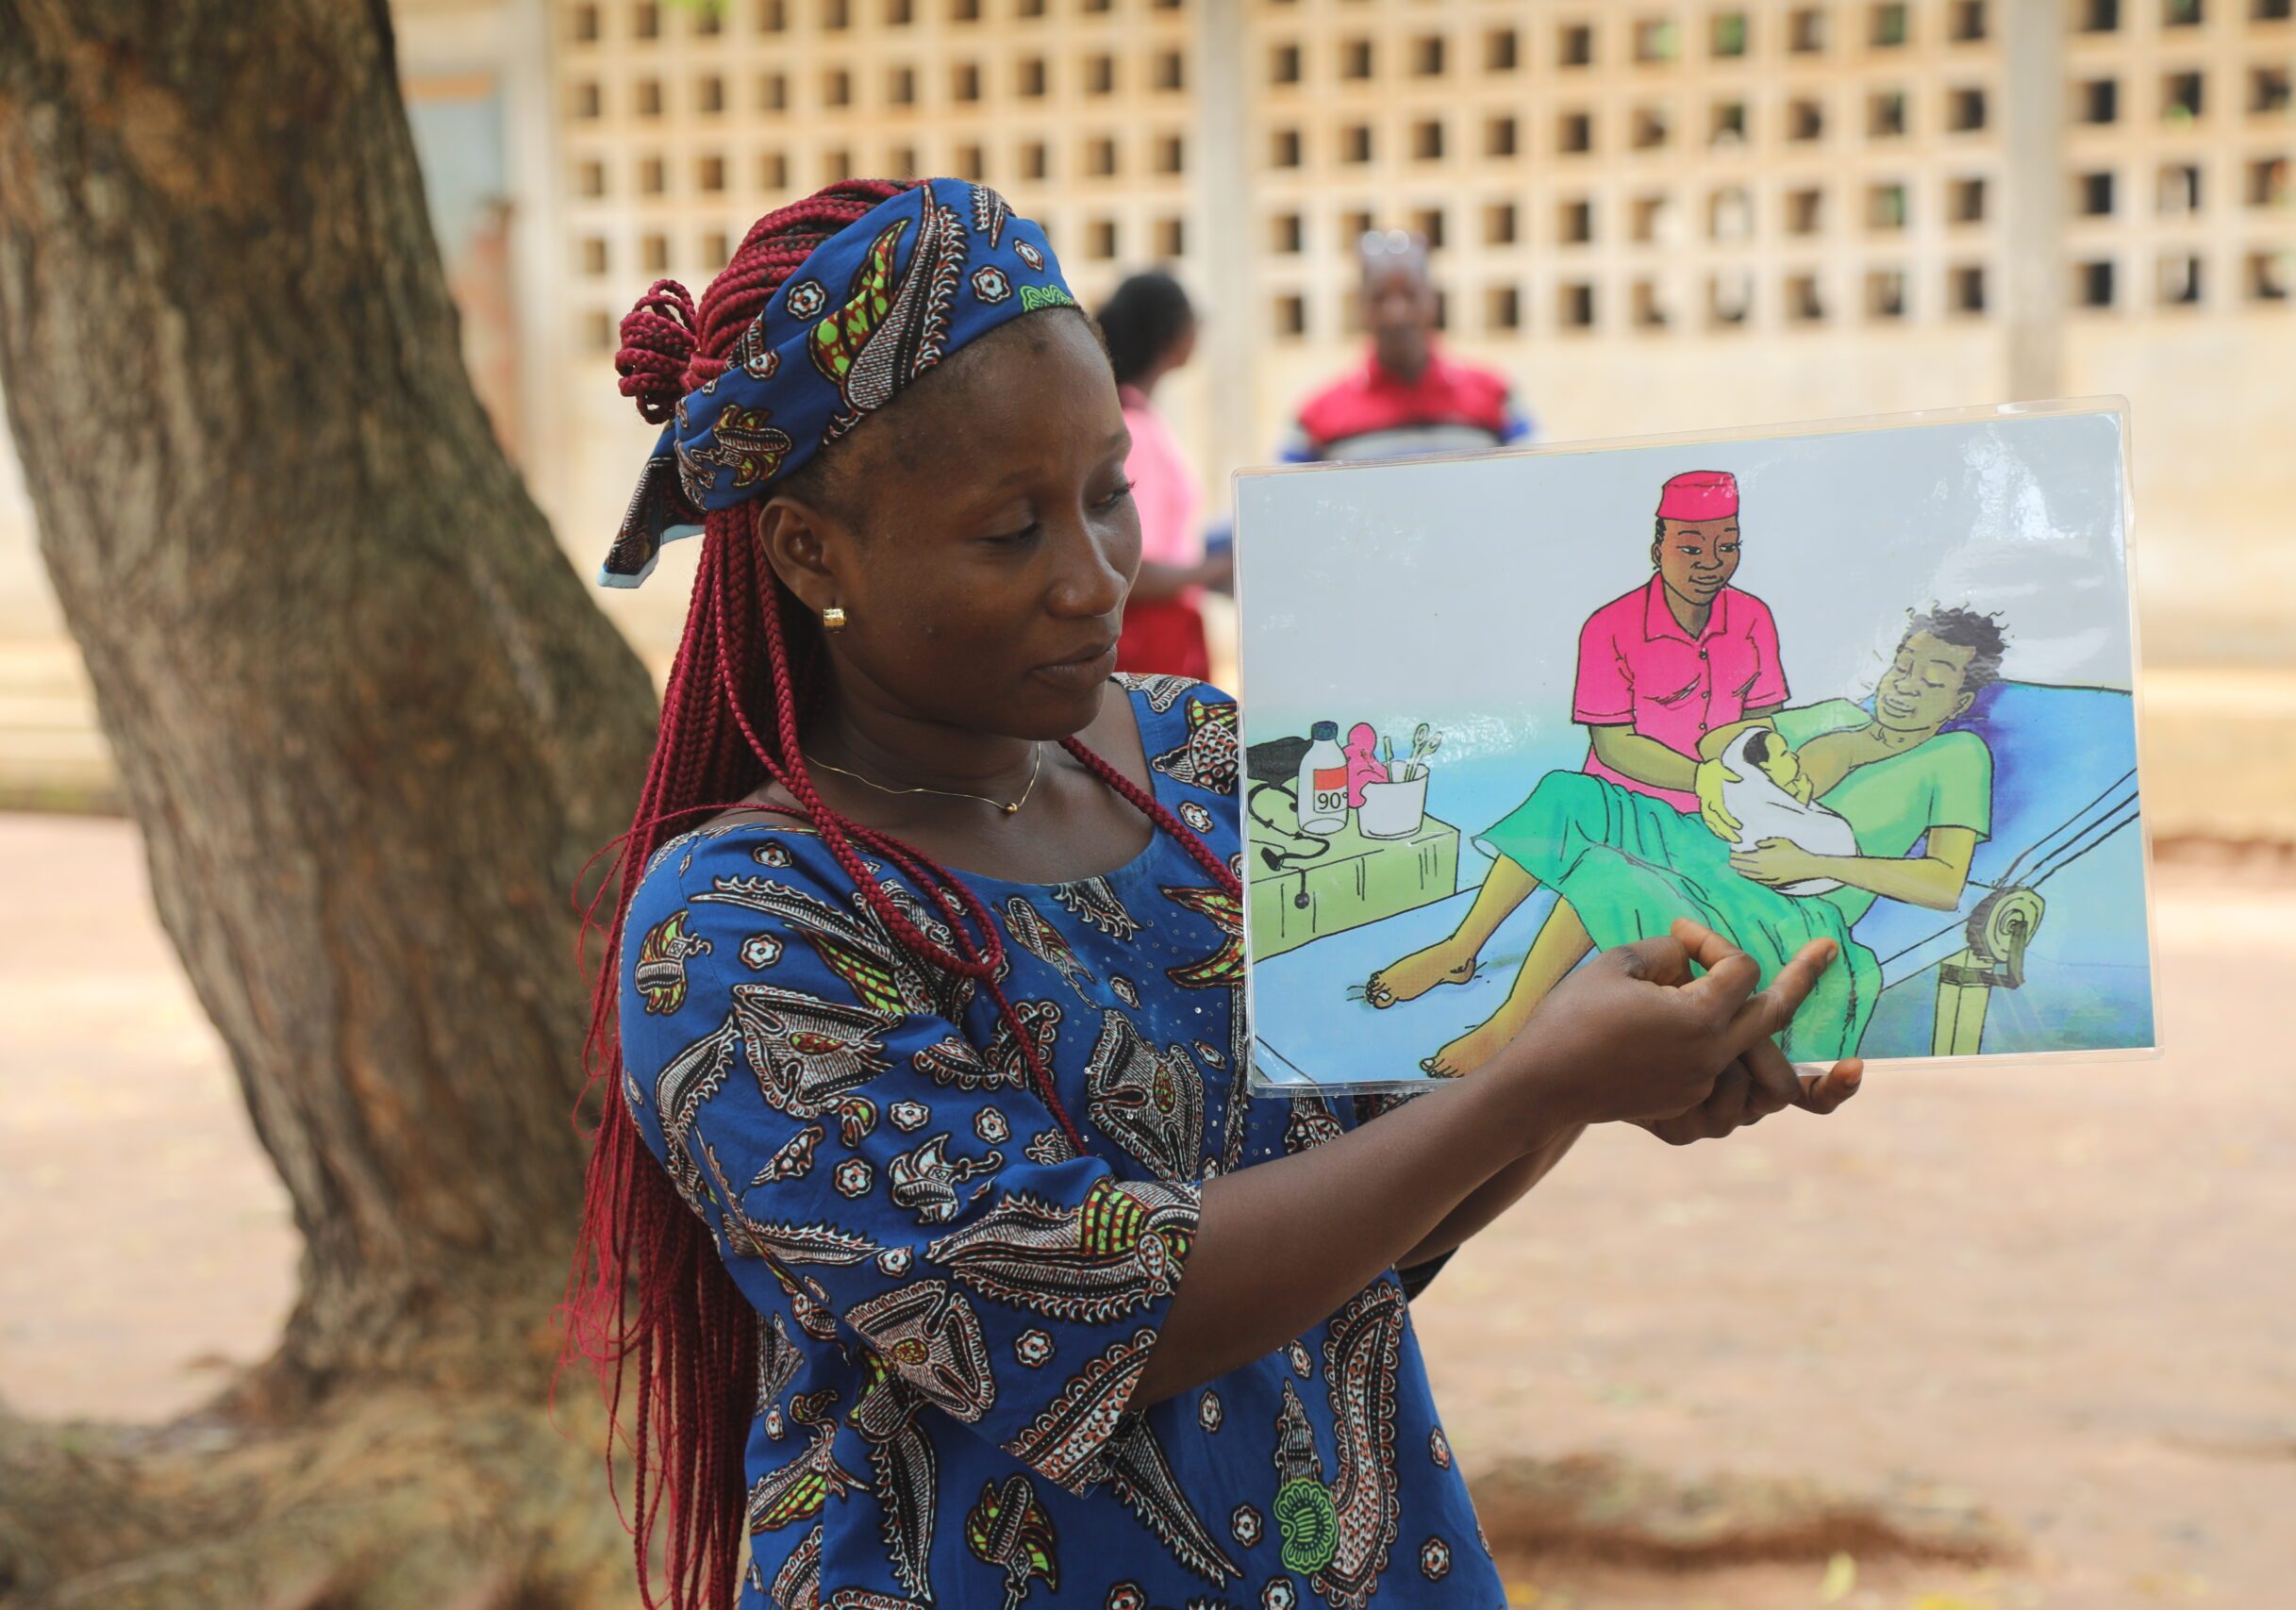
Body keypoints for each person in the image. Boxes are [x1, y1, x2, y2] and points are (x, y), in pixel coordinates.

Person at [562, 177, 1863, 1610]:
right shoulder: (743, 924)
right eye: (1012, 531)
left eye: (1108, 493)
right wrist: (1530, 1085)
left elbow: (1386, 1193)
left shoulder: (1205, 762)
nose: (1096, 574)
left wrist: (1577, 1072)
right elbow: (1079, 1311)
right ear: (812, 549)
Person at [1368, 607, 2004, 1078]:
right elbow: (1713, 746)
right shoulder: (1838, 716)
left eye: (1933, 676)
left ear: (1962, 696)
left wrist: (1809, 861)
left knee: (1608, 873)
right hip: (1709, 845)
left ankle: (1510, 1023)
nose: (1905, 683)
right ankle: (1459, 948)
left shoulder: (1956, 755)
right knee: (1568, 794)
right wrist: (1775, 758)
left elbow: (1944, 882)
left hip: (1788, 902)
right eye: (1903, 664)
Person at [1569, 469, 1789, 815]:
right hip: (1623, 808)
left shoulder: (1754, 617)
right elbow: (1613, 744)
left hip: (1731, 808)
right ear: (1658, 552)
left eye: (1728, 546)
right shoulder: (1607, 626)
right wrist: (1701, 778)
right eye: (1690, 548)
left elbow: (1763, 723)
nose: (1711, 563)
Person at [1277, 230, 1538, 464]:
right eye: (1380, 297)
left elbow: (1540, 483)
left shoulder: (1495, 396)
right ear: (1362, 307)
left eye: (1410, 294)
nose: (1396, 313)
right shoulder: (1317, 416)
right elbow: (1274, 505)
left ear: (1432, 300)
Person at [1096, 271, 1226, 681]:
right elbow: (1135, 567)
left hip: (1159, 635)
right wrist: (1217, 568)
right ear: (1173, 333)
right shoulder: (1133, 429)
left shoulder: (1133, 416)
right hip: (1150, 642)